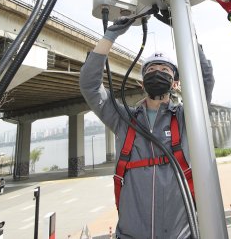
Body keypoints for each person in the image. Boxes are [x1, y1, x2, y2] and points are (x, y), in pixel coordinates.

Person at [79, 17, 215, 239]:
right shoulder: (123, 119)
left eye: (165, 69)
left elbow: (205, 81)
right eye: (152, 69)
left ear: (176, 83)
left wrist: (186, 29)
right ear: (142, 83)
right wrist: (110, 36)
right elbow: (89, 86)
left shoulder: (185, 118)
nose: (158, 72)